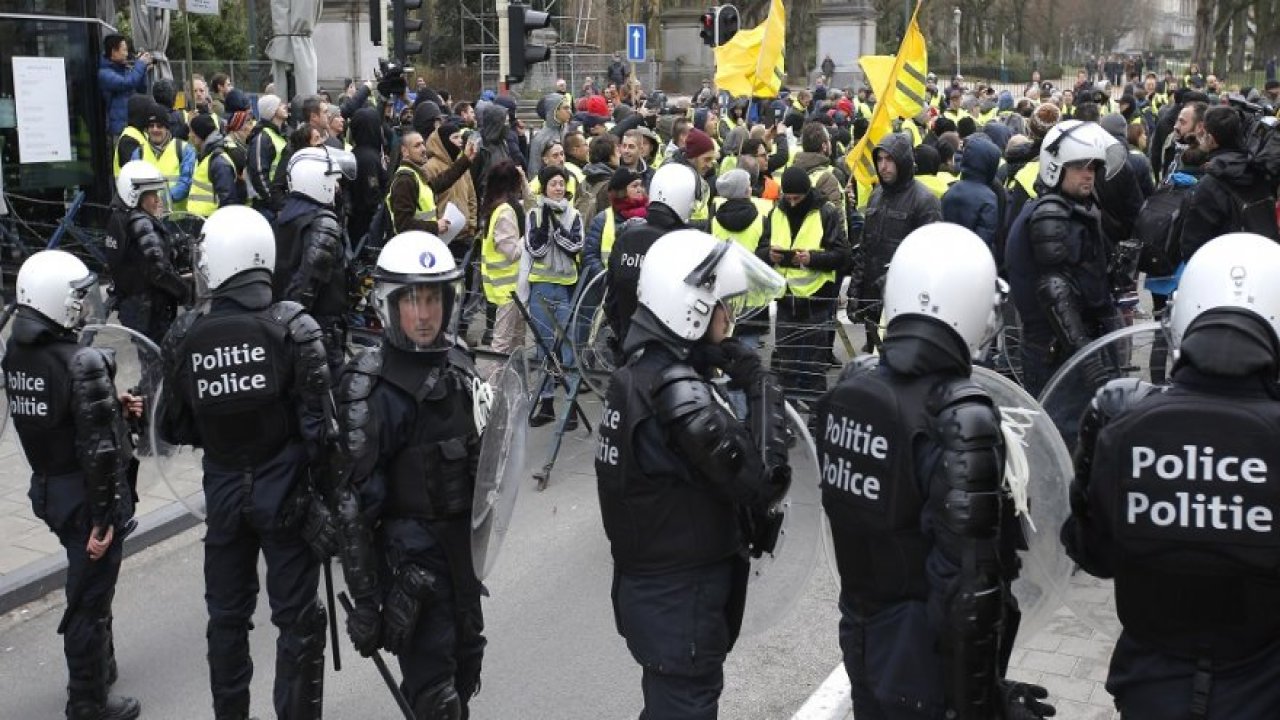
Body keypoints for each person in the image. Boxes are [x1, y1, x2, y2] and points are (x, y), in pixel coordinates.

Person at [817, 224, 1054, 720]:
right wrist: (987, 702)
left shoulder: (854, 388)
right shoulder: (958, 415)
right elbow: (966, 593)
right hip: (922, 659)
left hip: (862, 630)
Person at [1062, 232, 1280, 718]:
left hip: (1149, 685)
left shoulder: (1125, 427)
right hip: (1262, 689)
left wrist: (1089, 463)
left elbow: (1091, 555)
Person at [595, 230, 791, 720]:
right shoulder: (678, 394)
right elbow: (764, 481)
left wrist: (709, 356)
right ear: (690, 310)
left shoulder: (638, 373)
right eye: (721, 305)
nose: (730, 318)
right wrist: (763, 387)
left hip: (658, 596)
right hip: (680, 602)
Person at [158, 206, 335, 720]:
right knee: (298, 622)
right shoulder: (295, 328)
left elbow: (171, 427)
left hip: (225, 499)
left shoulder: (186, 333)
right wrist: (327, 505)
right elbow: (321, 434)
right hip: (288, 500)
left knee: (227, 621)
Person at [334, 230, 489, 719]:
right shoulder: (372, 387)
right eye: (411, 301)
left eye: (433, 299)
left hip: (461, 559)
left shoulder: (461, 368)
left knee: (467, 672)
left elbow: (489, 471)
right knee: (436, 701)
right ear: (389, 304)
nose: (423, 315)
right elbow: (353, 504)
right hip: (412, 572)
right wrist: (365, 598)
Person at [5, 251, 143, 720]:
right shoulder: (79, 362)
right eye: (77, 297)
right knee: (89, 601)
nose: (84, 304)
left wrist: (111, 405)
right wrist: (104, 518)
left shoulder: (18, 354)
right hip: (86, 497)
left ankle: (100, 668)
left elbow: (58, 420)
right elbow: (99, 453)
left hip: (50, 487)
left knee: (89, 590)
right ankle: (87, 702)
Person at [1005, 120, 1125, 401]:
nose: (1088, 174)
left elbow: (1077, 280)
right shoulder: (1051, 214)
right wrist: (1085, 355)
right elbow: (1053, 290)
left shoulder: (1070, 209)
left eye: (1093, 166)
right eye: (1080, 165)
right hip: (1059, 353)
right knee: (1066, 437)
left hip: (1069, 349)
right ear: (1056, 167)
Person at [758, 166, 851, 399]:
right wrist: (769, 254)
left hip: (816, 303)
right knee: (785, 368)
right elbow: (758, 252)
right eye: (787, 198)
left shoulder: (826, 213)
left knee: (813, 369)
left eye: (796, 199)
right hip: (786, 303)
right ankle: (788, 422)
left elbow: (842, 256)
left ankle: (815, 423)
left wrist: (813, 258)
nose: (791, 204)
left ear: (807, 193)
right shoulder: (775, 213)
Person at [848, 132, 941, 349]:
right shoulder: (876, 195)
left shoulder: (925, 201)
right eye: (879, 159)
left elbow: (929, 259)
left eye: (889, 159)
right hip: (872, 301)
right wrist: (855, 292)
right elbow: (865, 249)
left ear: (903, 161)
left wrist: (891, 281)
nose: (883, 166)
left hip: (904, 302)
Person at [273, 146, 357, 379]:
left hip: (299, 324)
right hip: (319, 329)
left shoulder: (289, 215)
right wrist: (295, 323)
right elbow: (308, 282)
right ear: (317, 180)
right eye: (333, 181)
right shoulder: (323, 223)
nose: (337, 187)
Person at [604, 163, 700, 356]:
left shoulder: (627, 236)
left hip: (629, 346)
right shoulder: (686, 242)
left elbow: (611, 298)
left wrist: (624, 335)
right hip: (672, 352)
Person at [523, 165, 584, 426]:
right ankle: (546, 403)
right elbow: (534, 248)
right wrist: (549, 227)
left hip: (566, 287)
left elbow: (575, 245)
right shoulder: (534, 214)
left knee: (569, 346)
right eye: (554, 183)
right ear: (544, 187)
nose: (558, 188)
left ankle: (570, 406)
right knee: (544, 346)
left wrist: (556, 227)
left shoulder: (575, 215)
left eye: (562, 183)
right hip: (541, 287)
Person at [1178, 106, 1280, 258]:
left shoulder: (1210, 184)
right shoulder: (1261, 170)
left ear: (1211, 140)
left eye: (1203, 132)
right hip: (1265, 260)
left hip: (1229, 268)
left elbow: (1192, 246)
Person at [106, 161, 190, 346]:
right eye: (152, 194)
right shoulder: (140, 223)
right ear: (135, 195)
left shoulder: (119, 216)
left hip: (134, 305)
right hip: (150, 310)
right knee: (160, 364)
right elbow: (158, 270)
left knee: (149, 361)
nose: (158, 199)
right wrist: (185, 292)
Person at [479, 161, 530, 360]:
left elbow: (532, 207)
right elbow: (512, 252)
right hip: (509, 288)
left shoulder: (496, 207)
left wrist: (524, 183)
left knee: (515, 342)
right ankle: (493, 387)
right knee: (504, 344)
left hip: (508, 287)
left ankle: (513, 386)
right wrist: (529, 236)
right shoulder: (506, 211)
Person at [385, 130, 475, 236]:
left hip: (423, 242)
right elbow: (402, 224)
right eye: (417, 146)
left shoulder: (416, 174)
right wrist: (435, 226)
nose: (423, 149)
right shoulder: (405, 180)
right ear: (405, 151)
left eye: (423, 144)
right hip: (412, 246)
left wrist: (466, 159)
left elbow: (441, 182)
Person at [130, 101, 196, 213]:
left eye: (159, 126)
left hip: (177, 220)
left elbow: (186, 183)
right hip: (148, 218)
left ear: (167, 128)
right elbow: (132, 185)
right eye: (151, 126)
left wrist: (161, 200)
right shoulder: (138, 153)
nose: (155, 129)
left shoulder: (184, 149)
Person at [941, 133, 1001, 249]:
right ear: (991, 165)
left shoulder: (951, 190)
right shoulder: (989, 198)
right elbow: (984, 240)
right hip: (972, 259)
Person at [187, 114, 242, 217]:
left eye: (192, 131)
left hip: (212, 222)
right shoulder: (206, 156)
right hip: (201, 220)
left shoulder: (218, 160)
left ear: (200, 133)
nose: (190, 135)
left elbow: (228, 199)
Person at [98, 34, 150, 138]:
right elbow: (127, 83)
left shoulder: (125, 69)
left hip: (133, 126)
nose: (126, 54)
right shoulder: (104, 73)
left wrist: (143, 70)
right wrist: (140, 65)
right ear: (113, 51)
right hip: (119, 129)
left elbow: (142, 89)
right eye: (124, 50)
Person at [247, 94, 290, 216]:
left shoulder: (280, 134)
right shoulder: (262, 137)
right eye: (279, 104)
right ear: (271, 110)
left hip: (280, 200)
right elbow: (259, 174)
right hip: (269, 206)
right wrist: (274, 204)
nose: (284, 106)